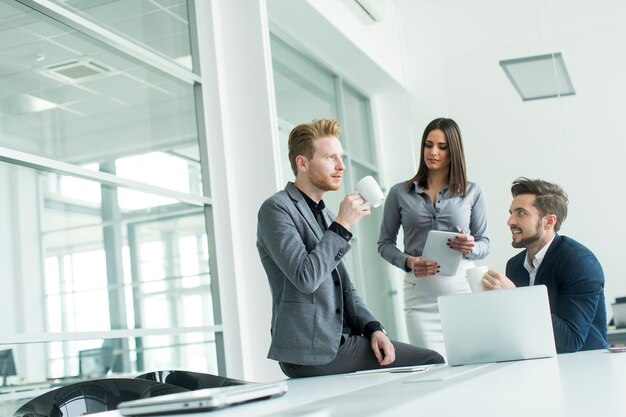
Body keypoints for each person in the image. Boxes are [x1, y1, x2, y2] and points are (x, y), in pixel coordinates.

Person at [257, 118, 444, 378]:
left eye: (341, 157)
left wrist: (374, 328)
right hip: (310, 349)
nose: (341, 166)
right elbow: (306, 278)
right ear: (302, 163)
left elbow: (344, 287)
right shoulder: (276, 209)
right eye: (330, 157)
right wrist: (343, 224)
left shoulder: (326, 215)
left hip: (341, 339)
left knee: (421, 361)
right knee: (432, 360)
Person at [378, 118, 489, 356]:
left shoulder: (473, 191)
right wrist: (408, 261)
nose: (433, 152)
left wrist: (470, 247)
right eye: (428, 145)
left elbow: (484, 243)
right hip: (420, 299)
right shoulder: (400, 192)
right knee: (432, 368)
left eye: (442, 146)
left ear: (454, 151)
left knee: (470, 364)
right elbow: (384, 244)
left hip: (462, 292)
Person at [483, 177, 608, 353]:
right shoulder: (515, 265)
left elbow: (571, 340)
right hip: (538, 363)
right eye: (511, 213)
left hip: (585, 366)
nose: (510, 221)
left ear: (549, 221)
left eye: (521, 213)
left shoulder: (579, 262)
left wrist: (514, 297)